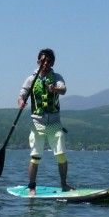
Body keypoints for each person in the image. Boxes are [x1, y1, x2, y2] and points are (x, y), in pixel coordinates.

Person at [17, 48, 74, 196]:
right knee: (35, 156)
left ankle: (64, 184)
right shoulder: (31, 79)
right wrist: (22, 101)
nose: (46, 63)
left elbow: (63, 89)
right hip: (37, 123)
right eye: (43, 60)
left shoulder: (56, 77)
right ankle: (32, 188)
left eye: (49, 61)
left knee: (61, 154)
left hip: (54, 123)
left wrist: (53, 88)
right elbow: (22, 94)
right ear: (38, 61)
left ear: (52, 62)